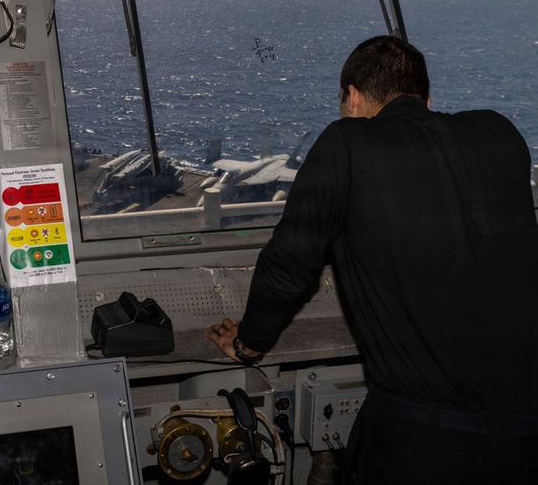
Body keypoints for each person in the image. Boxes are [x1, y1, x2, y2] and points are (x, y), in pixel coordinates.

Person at [206, 35, 538, 484]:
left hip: (425, 443)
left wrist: (248, 343)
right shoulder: (500, 133)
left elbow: (290, 263)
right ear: (426, 97)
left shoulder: (348, 142)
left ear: (354, 97)